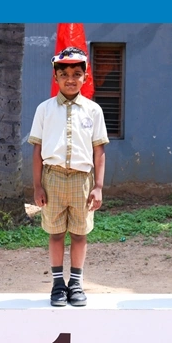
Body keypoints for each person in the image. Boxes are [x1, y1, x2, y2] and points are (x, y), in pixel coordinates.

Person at [28, 46, 109, 307]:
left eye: (76, 74)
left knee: (79, 233)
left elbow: (99, 151)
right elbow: (37, 150)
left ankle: (76, 282)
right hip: (52, 179)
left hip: (82, 180)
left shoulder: (93, 111)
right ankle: (57, 284)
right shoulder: (44, 109)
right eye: (64, 74)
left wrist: (98, 186)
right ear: (55, 77)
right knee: (55, 233)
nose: (70, 79)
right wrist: (37, 186)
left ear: (85, 77)